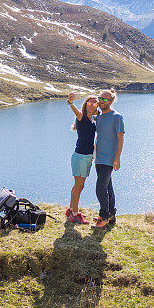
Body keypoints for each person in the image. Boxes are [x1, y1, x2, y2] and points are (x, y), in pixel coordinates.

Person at [92, 88, 124, 228]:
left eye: (106, 99)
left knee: (100, 188)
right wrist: (94, 151)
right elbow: (99, 135)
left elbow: (120, 138)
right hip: (99, 158)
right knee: (108, 187)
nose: (102, 101)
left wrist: (117, 158)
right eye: (101, 98)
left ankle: (103, 216)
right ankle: (111, 216)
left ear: (111, 101)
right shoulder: (99, 117)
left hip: (109, 159)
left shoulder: (116, 116)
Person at [66, 92, 99, 225]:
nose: (92, 105)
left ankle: (71, 210)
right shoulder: (82, 117)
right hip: (80, 156)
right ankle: (74, 214)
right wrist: (70, 101)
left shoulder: (93, 120)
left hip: (86, 156)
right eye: (89, 103)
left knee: (79, 185)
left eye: (94, 103)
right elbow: (74, 109)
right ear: (85, 105)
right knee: (79, 185)